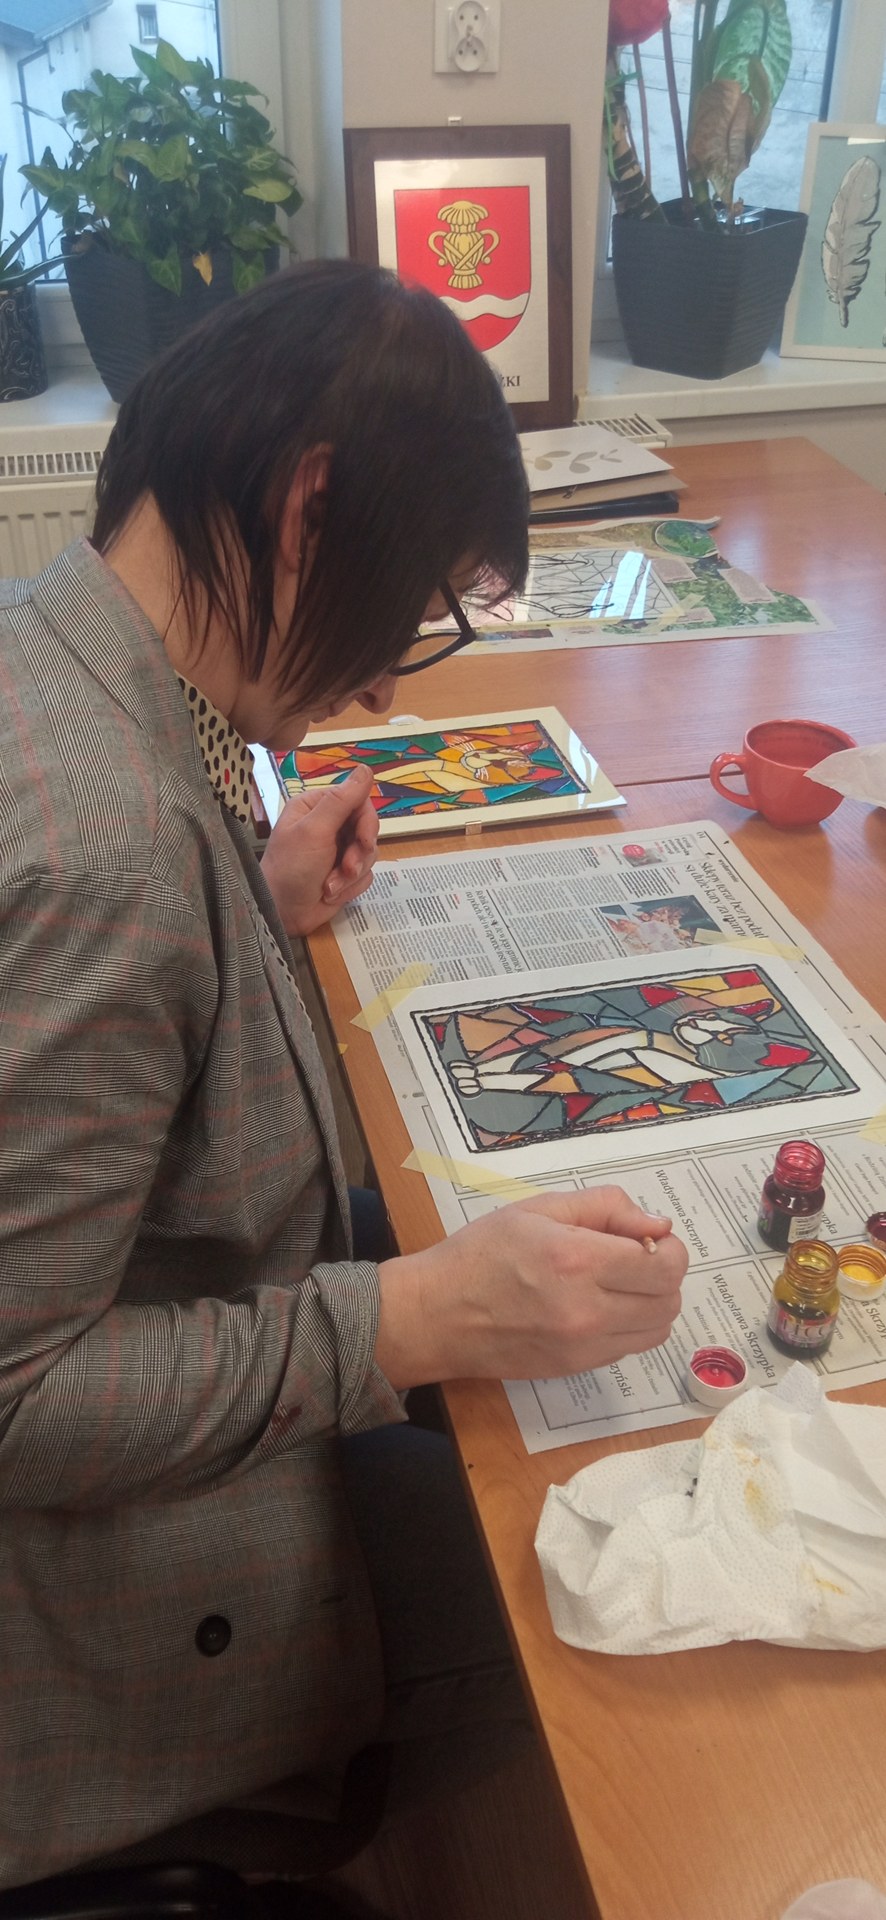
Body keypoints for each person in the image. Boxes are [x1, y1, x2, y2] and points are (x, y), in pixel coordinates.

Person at [0, 260, 687, 1889]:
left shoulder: (62, 649)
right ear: (310, 510)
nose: (383, 684)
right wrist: (409, 1320)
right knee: (593, 1650)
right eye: (410, 611)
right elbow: (18, 1398)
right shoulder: (105, 857)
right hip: (94, 1646)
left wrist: (253, 899)